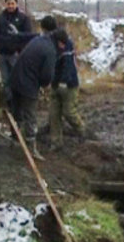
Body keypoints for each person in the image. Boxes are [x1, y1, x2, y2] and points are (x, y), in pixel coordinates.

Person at [10, 28, 69, 161]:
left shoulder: (39, 39)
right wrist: (44, 84)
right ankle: (31, 148)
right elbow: (47, 75)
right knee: (30, 115)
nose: (64, 47)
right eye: (63, 45)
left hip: (15, 79)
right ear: (59, 42)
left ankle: (14, 140)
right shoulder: (50, 50)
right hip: (28, 83)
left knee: (17, 111)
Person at [49, 21, 93, 152]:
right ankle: (56, 142)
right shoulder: (52, 48)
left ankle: (82, 131)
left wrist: (63, 82)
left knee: (69, 112)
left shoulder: (67, 51)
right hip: (55, 85)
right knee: (53, 115)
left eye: (61, 43)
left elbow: (68, 69)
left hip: (70, 86)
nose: (60, 45)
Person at [0, 0, 33, 109]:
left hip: (16, 55)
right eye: (8, 3)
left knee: (17, 79)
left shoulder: (23, 18)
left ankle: (19, 103)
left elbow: (28, 36)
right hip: (2, 55)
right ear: (5, 4)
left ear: (16, 4)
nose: (10, 6)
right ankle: (9, 104)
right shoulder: (0, 18)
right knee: (5, 80)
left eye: (12, 3)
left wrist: (22, 51)